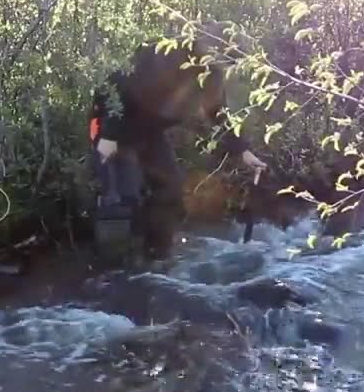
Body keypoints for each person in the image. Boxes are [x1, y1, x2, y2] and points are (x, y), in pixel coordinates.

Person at [88, 30, 269, 261]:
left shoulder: (211, 75)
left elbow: (218, 113)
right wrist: (106, 146)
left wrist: (243, 151)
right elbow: (120, 88)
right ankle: (117, 271)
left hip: (150, 131)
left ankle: (157, 258)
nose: (224, 70)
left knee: (171, 189)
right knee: (120, 199)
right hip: (113, 126)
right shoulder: (166, 57)